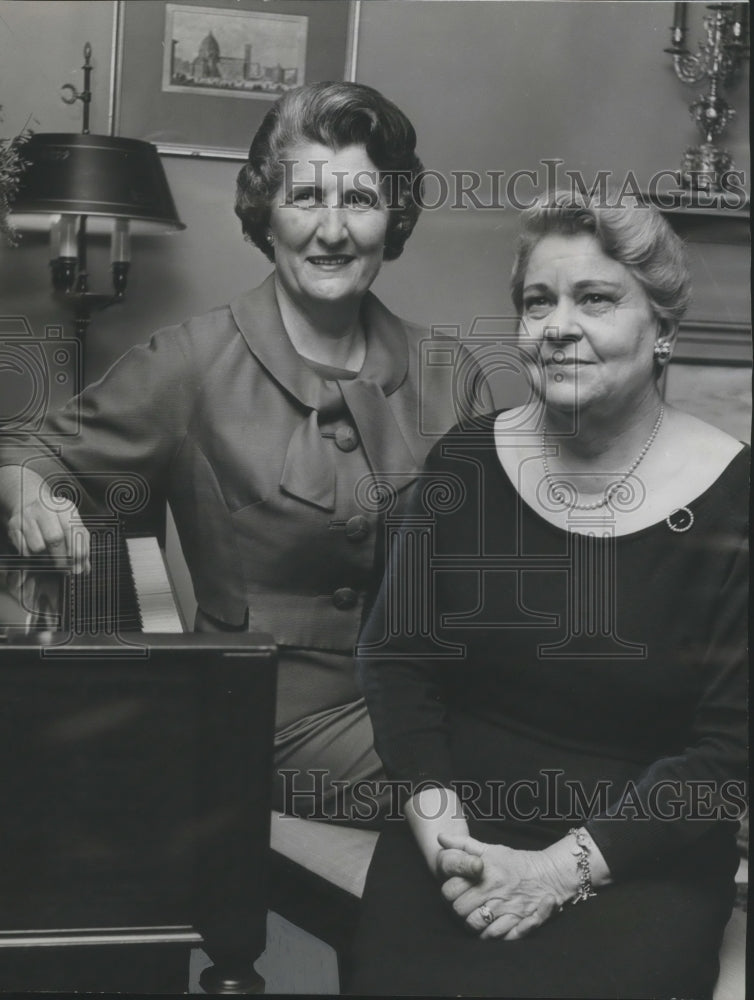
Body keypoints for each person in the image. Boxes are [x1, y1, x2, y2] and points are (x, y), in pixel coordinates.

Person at [0, 82, 473, 820]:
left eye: (360, 200)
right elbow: (29, 446)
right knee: (497, 778)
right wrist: (31, 493)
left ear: (396, 214)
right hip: (262, 715)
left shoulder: (452, 370)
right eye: (307, 196)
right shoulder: (189, 363)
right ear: (266, 211)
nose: (333, 229)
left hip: (437, 698)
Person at [351, 194, 747, 996]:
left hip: (638, 850)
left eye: (595, 299)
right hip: (458, 821)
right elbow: (398, 659)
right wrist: (441, 832)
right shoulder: (465, 461)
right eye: (539, 302)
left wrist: (557, 872)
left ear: (663, 328)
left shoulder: (738, 499)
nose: (558, 325)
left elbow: (728, 752)